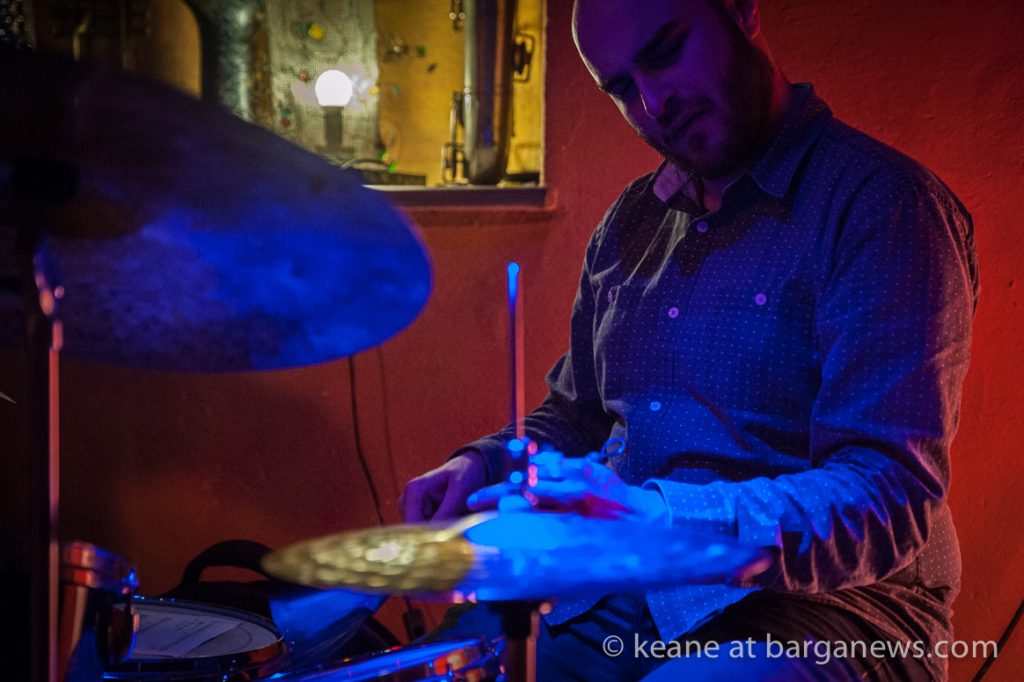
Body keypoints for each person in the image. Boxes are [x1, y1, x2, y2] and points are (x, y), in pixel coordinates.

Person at [401, 0, 978, 679]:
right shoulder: (631, 222)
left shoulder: (883, 207)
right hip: (627, 584)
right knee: (446, 664)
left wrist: (653, 517)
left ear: (741, 10)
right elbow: (579, 416)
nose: (653, 104)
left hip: (834, 609)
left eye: (666, 51)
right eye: (621, 88)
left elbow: (885, 496)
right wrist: (484, 464)